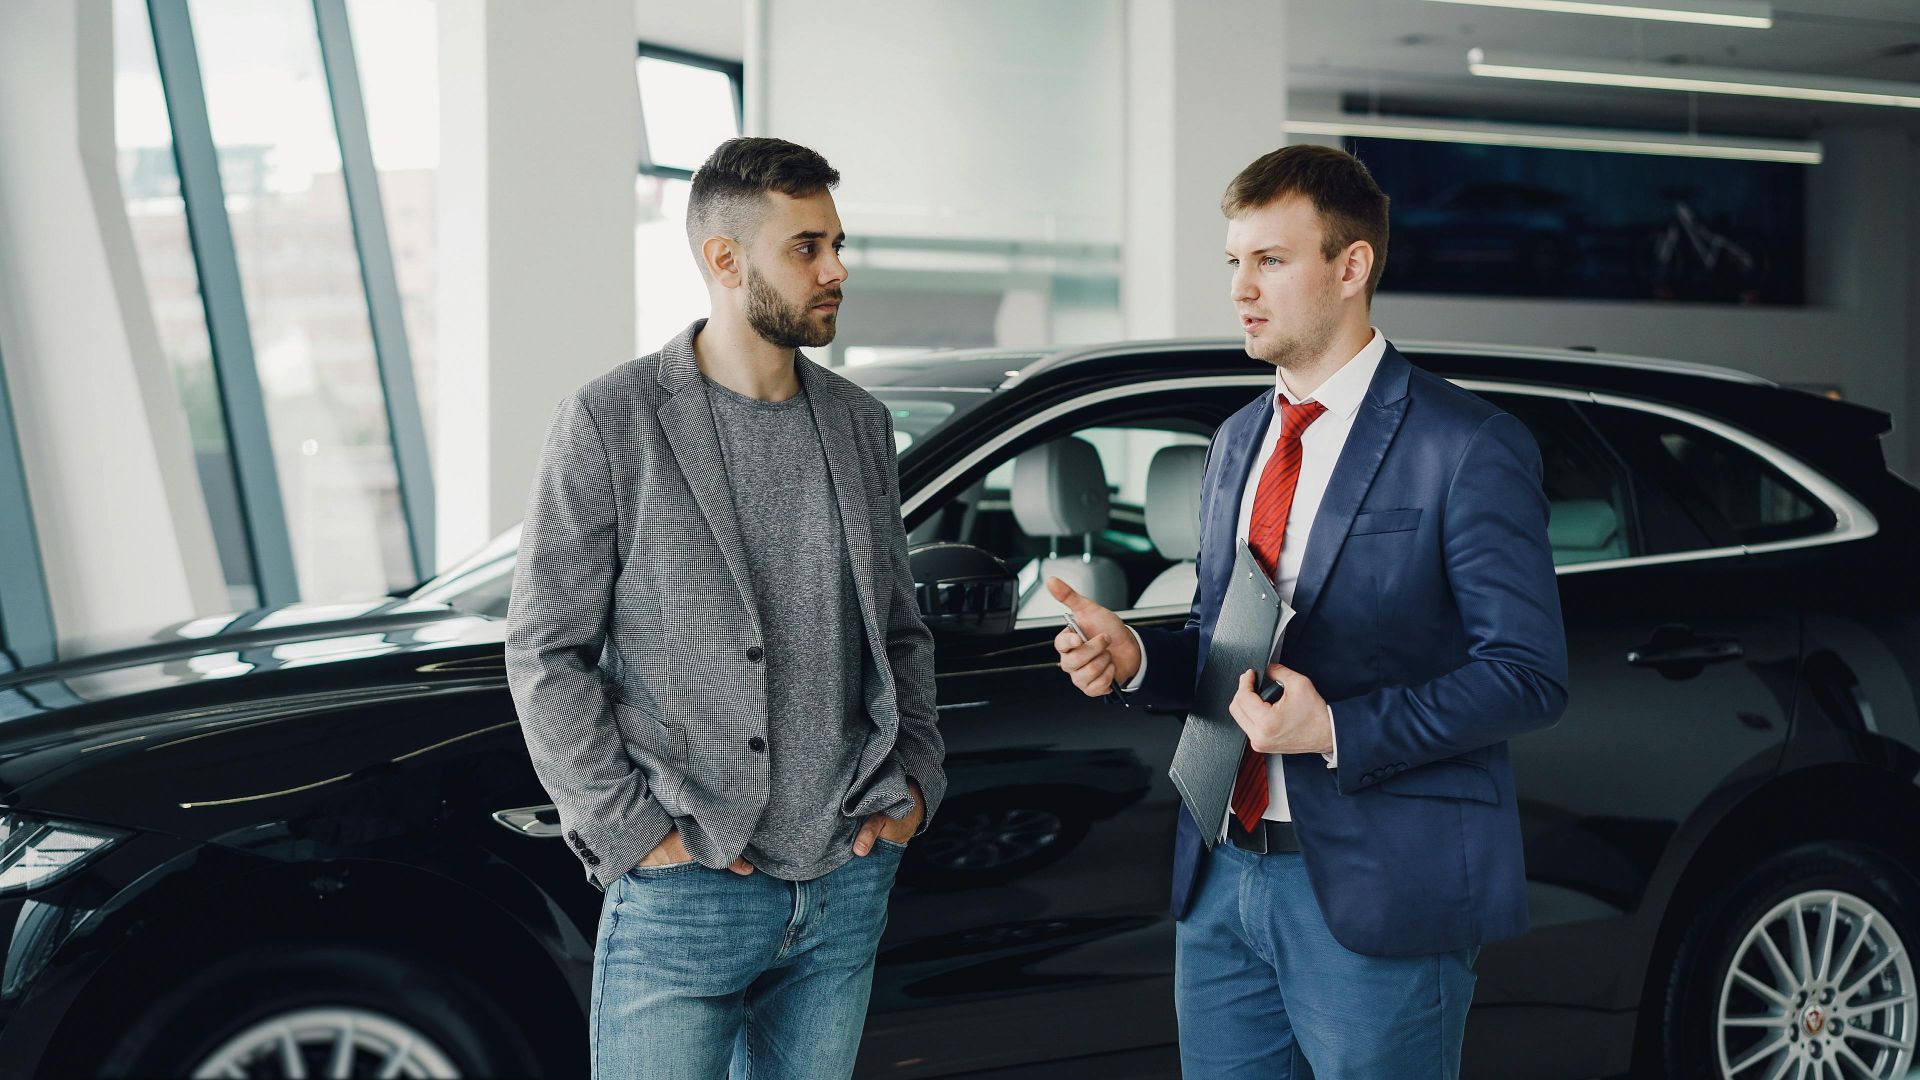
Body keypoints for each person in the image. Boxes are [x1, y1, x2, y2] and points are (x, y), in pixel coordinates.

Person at [1048, 143, 1568, 1079]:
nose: (1242, 290)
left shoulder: (1467, 445)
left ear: (1351, 265)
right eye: (1234, 263)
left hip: (1382, 888)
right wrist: (1139, 660)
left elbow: (1527, 677)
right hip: (1223, 871)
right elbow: (1227, 638)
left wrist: (1335, 726)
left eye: (1271, 262)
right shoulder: (1240, 440)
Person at [505, 136, 946, 1080]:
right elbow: (546, 651)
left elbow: (899, 631)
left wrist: (914, 779)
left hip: (845, 877)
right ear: (724, 259)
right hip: (687, 889)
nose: (836, 270)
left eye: (837, 244)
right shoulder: (612, 419)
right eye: (807, 247)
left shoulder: (860, 423)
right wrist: (631, 834)